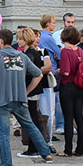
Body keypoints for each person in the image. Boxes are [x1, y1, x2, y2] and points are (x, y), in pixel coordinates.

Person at [0, 28, 54, 166]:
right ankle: (46, 154)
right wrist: (27, 91)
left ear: (0, 41)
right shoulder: (22, 56)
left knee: (4, 134)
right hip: (20, 98)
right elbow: (38, 74)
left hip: (1, 101)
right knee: (30, 126)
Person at [17, 27, 52, 158]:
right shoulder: (32, 53)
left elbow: (35, 74)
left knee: (32, 120)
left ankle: (34, 148)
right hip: (33, 90)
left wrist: (27, 91)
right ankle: (35, 147)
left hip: (31, 91)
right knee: (33, 119)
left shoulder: (30, 55)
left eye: (20, 39)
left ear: (26, 40)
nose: (18, 42)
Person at [56, 26, 83, 157]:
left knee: (68, 118)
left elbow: (66, 71)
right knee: (79, 117)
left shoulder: (65, 51)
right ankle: (80, 149)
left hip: (67, 86)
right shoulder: (80, 50)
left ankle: (67, 149)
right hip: (79, 86)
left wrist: (58, 71)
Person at [38, 14, 63, 138]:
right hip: (51, 72)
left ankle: (46, 132)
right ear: (47, 23)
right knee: (51, 106)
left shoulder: (42, 36)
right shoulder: (48, 38)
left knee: (44, 106)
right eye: (53, 22)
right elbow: (59, 54)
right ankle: (48, 134)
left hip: (43, 72)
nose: (55, 24)